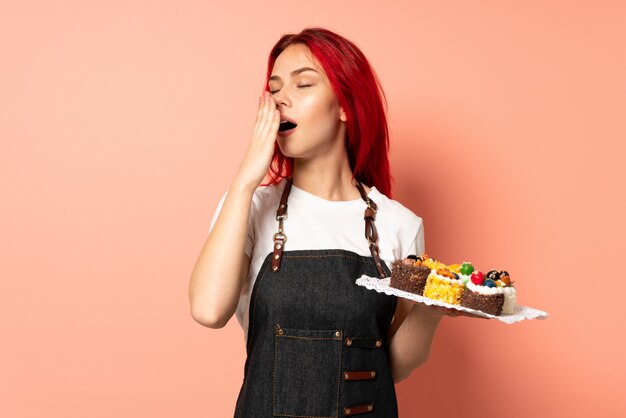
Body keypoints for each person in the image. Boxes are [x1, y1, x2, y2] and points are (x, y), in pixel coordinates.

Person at [189, 27, 464, 418]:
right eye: (275, 89)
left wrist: (432, 310)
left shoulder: (399, 225)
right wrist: (246, 179)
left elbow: (391, 365)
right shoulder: (248, 205)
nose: (281, 98)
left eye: (303, 85)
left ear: (345, 106)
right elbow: (208, 309)